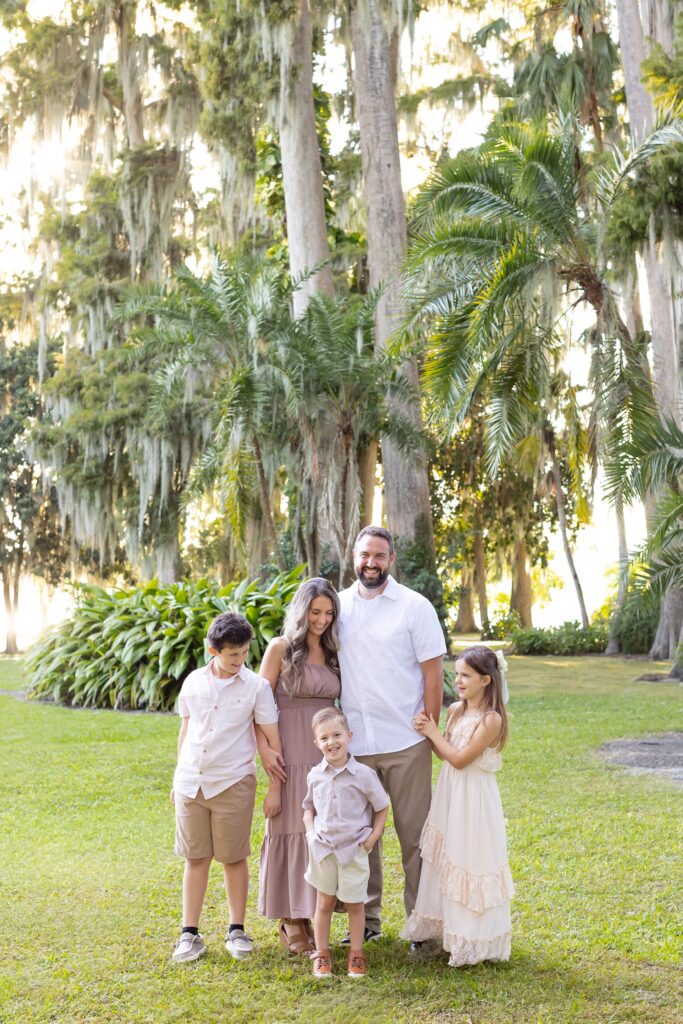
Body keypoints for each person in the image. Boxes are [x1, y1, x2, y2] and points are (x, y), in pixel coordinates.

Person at [338, 525, 446, 945]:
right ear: (354, 557)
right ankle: (367, 921)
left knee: (414, 837)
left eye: (379, 556)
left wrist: (431, 732)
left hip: (406, 741)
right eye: (365, 555)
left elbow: (432, 674)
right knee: (362, 837)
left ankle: (422, 924)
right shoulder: (339, 606)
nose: (371, 563)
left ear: (391, 560)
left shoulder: (415, 607)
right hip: (357, 744)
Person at [170, 611, 282, 963]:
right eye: (233, 654)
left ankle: (237, 930)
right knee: (196, 858)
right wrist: (177, 777)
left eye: (245, 652)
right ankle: (189, 933)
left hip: (233, 782)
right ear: (213, 651)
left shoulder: (256, 687)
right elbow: (186, 731)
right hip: (191, 783)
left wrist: (275, 788)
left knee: (233, 858)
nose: (240, 660)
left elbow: (272, 740)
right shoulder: (193, 682)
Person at [402, 645, 513, 966]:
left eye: (466, 676)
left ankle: (473, 937)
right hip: (450, 791)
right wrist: (431, 734)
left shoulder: (491, 720)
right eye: (457, 674)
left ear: (486, 680)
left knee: (470, 856)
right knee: (447, 855)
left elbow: (462, 759)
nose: (459, 681)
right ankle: (447, 929)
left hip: (474, 796)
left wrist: (431, 732)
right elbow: (445, 754)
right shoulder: (455, 711)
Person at [257, 577, 342, 955]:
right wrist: (265, 751)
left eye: (328, 613)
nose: (322, 620)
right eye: (315, 612)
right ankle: (290, 921)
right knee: (289, 827)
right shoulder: (280, 648)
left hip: (325, 755)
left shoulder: (334, 652)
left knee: (317, 833)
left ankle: (309, 914)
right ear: (301, 611)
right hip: (288, 751)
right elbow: (258, 706)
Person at [303, 708, 390, 979]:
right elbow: (308, 807)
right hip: (323, 849)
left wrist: (373, 836)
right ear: (317, 743)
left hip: (354, 850)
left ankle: (356, 954)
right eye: (324, 738)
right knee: (324, 903)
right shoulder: (315, 775)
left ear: (349, 735)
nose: (332, 742)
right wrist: (310, 832)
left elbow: (382, 807)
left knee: (355, 904)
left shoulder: (364, 774)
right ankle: (322, 954)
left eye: (337, 735)